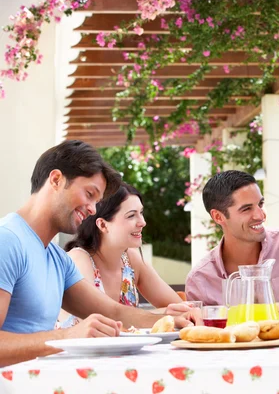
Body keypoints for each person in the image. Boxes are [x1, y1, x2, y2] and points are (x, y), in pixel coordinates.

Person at [0, 140, 201, 367]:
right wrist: (67, 337)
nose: (93, 209)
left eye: (97, 200)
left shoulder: (56, 258)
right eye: (89, 194)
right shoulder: (7, 241)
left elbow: (113, 311)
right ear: (56, 180)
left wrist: (170, 319)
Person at [185, 170, 279, 310]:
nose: (260, 215)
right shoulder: (200, 280)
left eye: (260, 204)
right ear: (218, 217)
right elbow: (204, 329)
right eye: (246, 209)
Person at [58, 183, 185, 328]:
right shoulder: (79, 259)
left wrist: (168, 313)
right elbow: (97, 324)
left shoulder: (130, 259)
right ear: (103, 225)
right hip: (77, 350)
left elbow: (180, 309)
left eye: (141, 213)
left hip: (123, 350)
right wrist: (161, 314)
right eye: (131, 215)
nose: (142, 222)